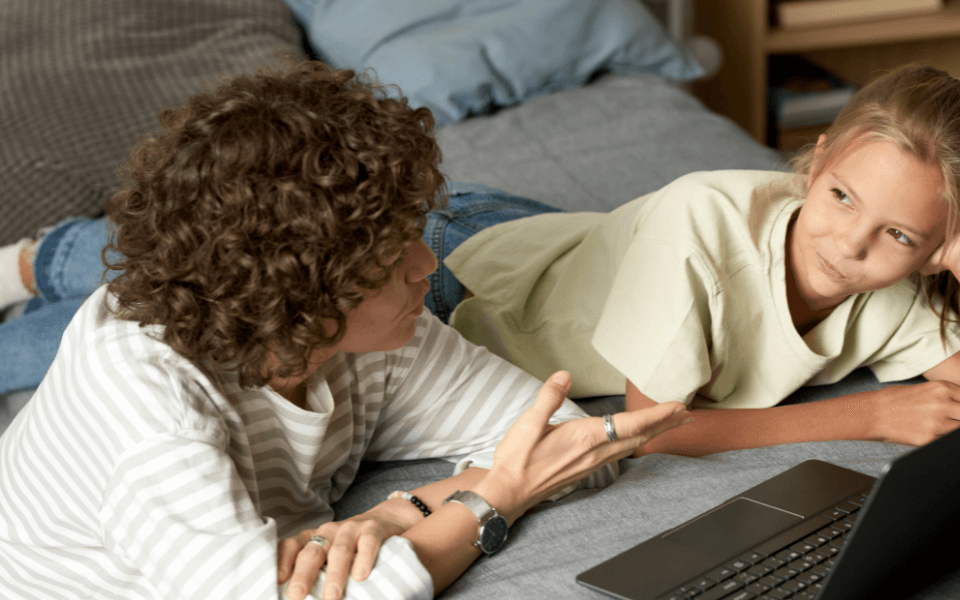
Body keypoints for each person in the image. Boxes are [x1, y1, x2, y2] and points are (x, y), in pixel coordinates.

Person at [0, 61, 689, 600]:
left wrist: (401, 512)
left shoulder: (378, 335)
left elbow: (561, 448)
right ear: (297, 290)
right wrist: (491, 499)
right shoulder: (148, 409)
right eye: (391, 260)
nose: (427, 265)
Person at [433, 65, 960, 463]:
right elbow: (651, 430)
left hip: (582, 239)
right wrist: (873, 415)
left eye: (899, 234)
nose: (851, 246)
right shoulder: (696, 226)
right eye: (841, 196)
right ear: (819, 159)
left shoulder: (895, 290)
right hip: (467, 264)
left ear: (937, 249)